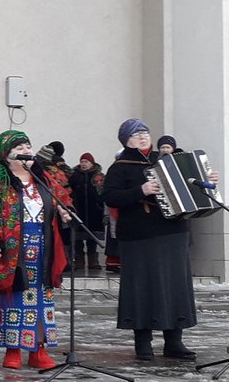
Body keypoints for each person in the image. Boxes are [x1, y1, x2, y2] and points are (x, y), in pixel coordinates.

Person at [102, 119, 218, 361]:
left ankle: (174, 342)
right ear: (126, 140)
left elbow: (190, 185)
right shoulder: (120, 166)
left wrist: (207, 183)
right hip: (138, 236)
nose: (143, 137)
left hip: (173, 232)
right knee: (142, 288)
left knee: (174, 287)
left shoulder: (167, 159)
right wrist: (140, 191)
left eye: (145, 132)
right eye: (136, 134)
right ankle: (143, 343)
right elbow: (110, 197)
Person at [0, 130, 71, 370]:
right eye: (20, 147)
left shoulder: (44, 181)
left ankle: (38, 349)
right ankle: (13, 349)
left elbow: (61, 203)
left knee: (40, 298)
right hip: (11, 249)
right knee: (15, 298)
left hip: (43, 247)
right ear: (6, 156)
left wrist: (64, 212)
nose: (27, 150)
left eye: (28, 145)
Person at [68, 153, 105, 270]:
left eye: (86, 162)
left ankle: (93, 261)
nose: (83, 164)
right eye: (82, 161)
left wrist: (100, 205)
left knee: (92, 238)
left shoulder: (98, 176)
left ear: (92, 163)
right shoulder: (74, 176)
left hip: (94, 211)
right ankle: (79, 260)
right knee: (78, 238)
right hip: (78, 210)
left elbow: (102, 193)